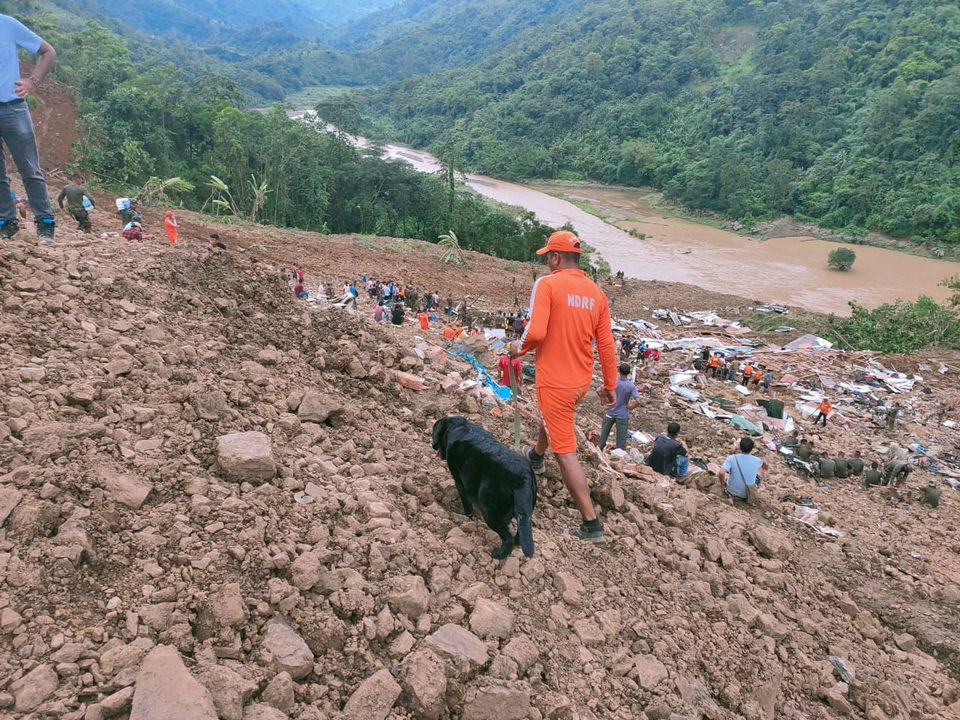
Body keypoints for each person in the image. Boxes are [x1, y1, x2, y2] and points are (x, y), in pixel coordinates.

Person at [508, 230, 617, 543]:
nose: (547, 264)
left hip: (554, 381)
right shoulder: (596, 293)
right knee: (556, 420)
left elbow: (537, 331)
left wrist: (519, 347)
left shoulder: (548, 284)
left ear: (555, 258)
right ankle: (536, 457)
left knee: (566, 451)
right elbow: (606, 343)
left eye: (548, 258)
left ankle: (591, 523)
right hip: (580, 381)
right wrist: (609, 384)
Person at [0, 15, 57, 241]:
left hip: (13, 109)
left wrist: (32, 82)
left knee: (30, 169)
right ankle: (6, 222)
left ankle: (45, 223)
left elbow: (48, 52)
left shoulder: (7, 24)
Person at [599, 363, 641, 452]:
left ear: (619, 371)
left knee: (603, 436)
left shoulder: (613, 382)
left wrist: (604, 400)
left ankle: (599, 452)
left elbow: (599, 390)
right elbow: (638, 401)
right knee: (621, 440)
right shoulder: (631, 386)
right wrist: (630, 407)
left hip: (610, 413)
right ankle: (619, 457)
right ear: (628, 373)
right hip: (622, 415)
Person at [720, 437, 767, 502]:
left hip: (731, 491)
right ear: (752, 448)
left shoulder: (732, 458)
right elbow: (765, 467)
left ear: (740, 446)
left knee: (730, 474)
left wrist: (722, 484)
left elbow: (721, 472)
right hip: (748, 494)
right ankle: (755, 488)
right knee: (759, 472)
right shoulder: (758, 460)